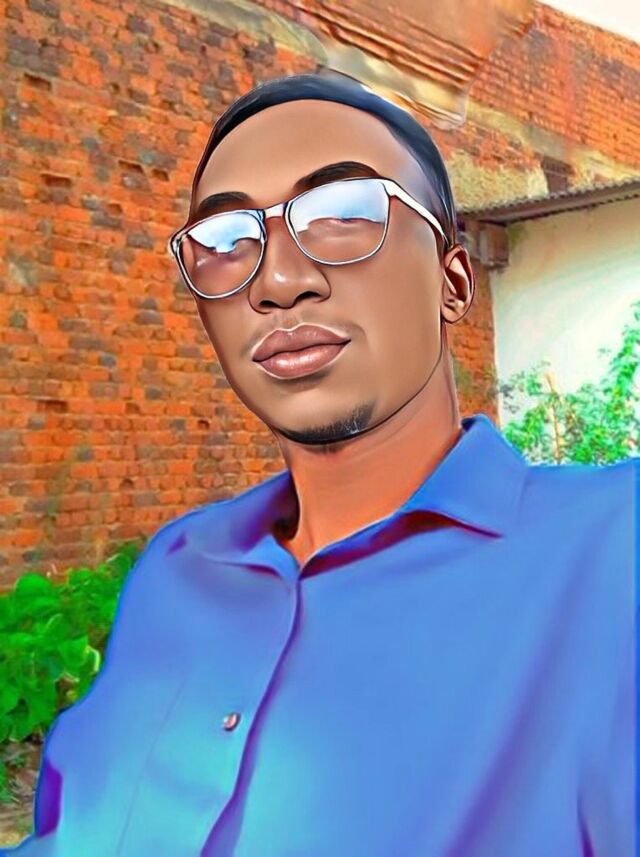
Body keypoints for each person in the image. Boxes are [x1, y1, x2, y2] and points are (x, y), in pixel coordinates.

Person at [5, 71, 637, 857]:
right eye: (227, 242)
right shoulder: (178, 567)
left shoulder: (612, 548)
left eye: (343, 215)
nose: (277, 281)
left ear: (452, 281)